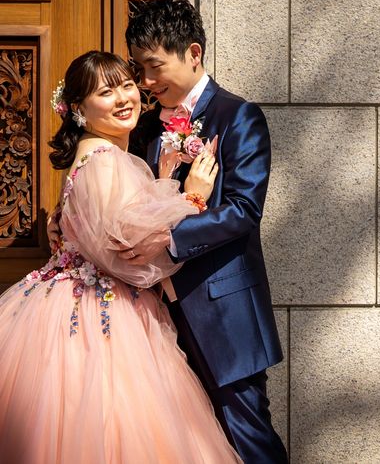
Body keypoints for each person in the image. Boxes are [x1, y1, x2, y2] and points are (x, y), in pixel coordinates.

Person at [0, 51, 241, 464]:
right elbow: (129, 254)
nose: (124, 98)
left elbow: (115, 222)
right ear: (78, 108)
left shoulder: (96, 153)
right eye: (106, 92)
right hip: (102, 316)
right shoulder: (105, 159)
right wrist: (192, 198)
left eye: (127, 85)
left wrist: (160, 182)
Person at [123, 0, 288, 463]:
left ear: (193, 53)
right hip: (157, 318)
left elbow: (243, 210)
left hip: (223, 312)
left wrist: (168, 240)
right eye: (140, 69)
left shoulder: (238, 117)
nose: (146, 82)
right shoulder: (144, 129)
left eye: (154, 66)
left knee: (247, 436)